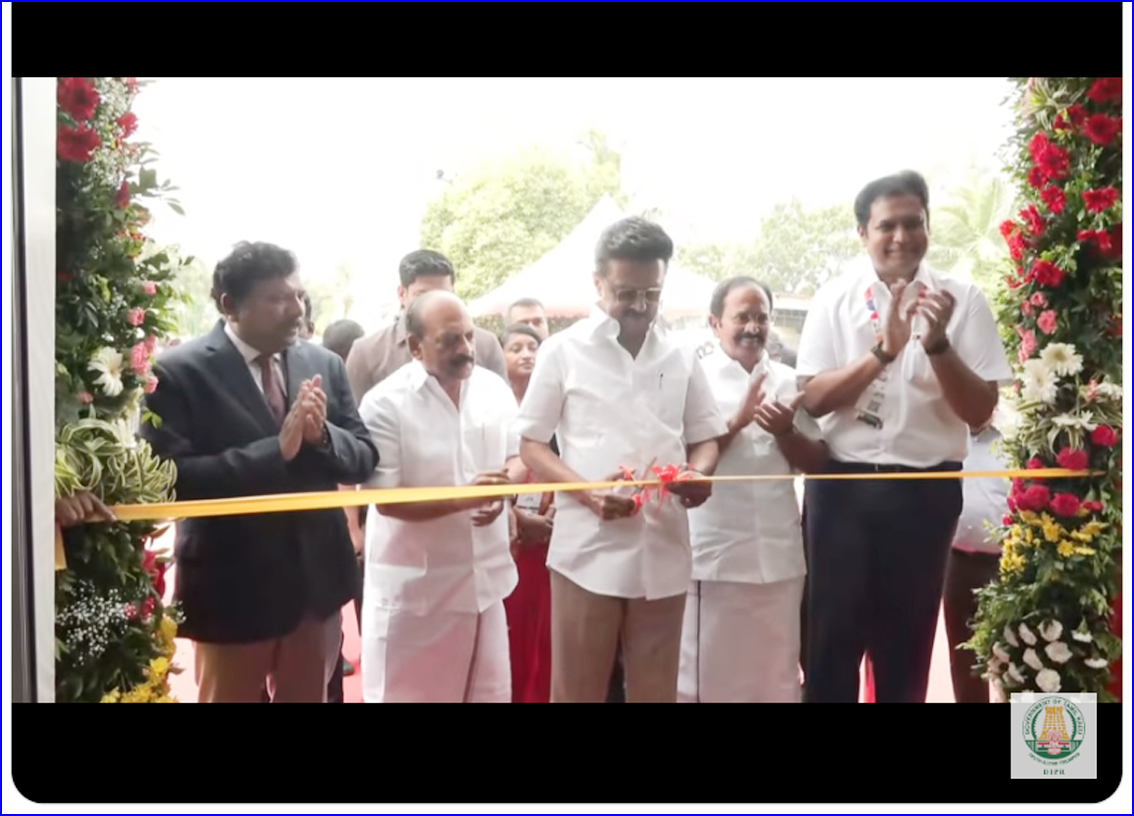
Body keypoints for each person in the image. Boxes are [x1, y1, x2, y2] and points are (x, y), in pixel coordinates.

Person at [795, 170, 1013, 704]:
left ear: (928, 225)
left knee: (906, 650)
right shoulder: (835, 298)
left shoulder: (963, 299)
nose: (901, 237)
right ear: (862, 233)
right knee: (829, 646)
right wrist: (883, 353)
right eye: (886, 226)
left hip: (925, 493)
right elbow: (814, 399)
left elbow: (980, 411)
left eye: (913, 223)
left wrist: (938, 346)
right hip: (841, 490)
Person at [140, 241, 378, 703]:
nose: (297, 310)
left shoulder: (323, 364)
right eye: (278, 299)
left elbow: (364, 456)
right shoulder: (176, 373)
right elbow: (167, 480)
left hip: (315, 589)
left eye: (299, 296)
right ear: (230, 305)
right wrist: (275, 452)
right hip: (231, 592)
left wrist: (322, 438)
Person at [516, 216, 726, 703]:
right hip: (587, 549)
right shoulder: (562, 351)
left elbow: (706, 438)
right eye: (626, 292)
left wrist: (699, 473)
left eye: (651, 294)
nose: (639, 306)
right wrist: (587, 493)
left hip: (663, 546)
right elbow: (531, 444)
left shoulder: (680, 354)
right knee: (578, 691)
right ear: (598, 283)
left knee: (656, 692)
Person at [357, 291, 524, 702]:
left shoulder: (492, 389)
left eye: (468, 336)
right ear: (415, 346)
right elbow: (385, 499)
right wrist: (466, 499)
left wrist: (503, 488)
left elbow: (518, 456)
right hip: (416, 597)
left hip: (484, 587)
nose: (466, 349)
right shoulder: (384, 404)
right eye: (450, 340)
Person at [679, 277, 827, 703]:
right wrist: (737, 421)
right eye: (741, 317)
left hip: (779, 560)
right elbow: (681, 463)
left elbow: (817, 463)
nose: (752, 327)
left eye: (761, 317)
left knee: (776, 680)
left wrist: (785, 432)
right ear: (715, 323)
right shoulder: (694, 381)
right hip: (715, 560)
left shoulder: (790, 381)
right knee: (706, 681)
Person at [345, 250, 507, 401]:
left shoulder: (486, 345)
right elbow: (353, 419)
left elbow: (502, 408)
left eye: (443, 294)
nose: (434, 304)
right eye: (423, 295)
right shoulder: (367, 353)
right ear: (402, 294)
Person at [499, 323, 555, 703]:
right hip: (508, 540)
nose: (526, 354)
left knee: (545, 640)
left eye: (533, 347)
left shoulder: (558, 408)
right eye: (515, 347)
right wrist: (516, 516)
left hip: (551, 543)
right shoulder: (494, 409)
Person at [944, 411, 1008, 703]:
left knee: (1019, 652)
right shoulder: (947, 438)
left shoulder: (1012, 438)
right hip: (957, 561)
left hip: (1007, 564)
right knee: (964, 656)